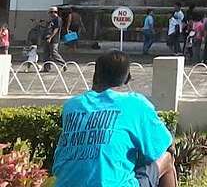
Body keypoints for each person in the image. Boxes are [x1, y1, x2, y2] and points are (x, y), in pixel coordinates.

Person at [52, 50, 177, 187]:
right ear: (128, 78)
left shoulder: (72, 106)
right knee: (166, 158)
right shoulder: (135, 104)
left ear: (95, 76)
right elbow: (167, 145)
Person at [43, 5, 67, 71]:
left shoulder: (58, 19)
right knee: (46, 53)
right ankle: (46, 67)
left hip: (54, 39)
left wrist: (50, 37)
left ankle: (63, 63)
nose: (49, 15)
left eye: (50, 13)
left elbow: (56, 29)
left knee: (53, 52)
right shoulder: (52, 20)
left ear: (53, 12)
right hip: (47, 38)